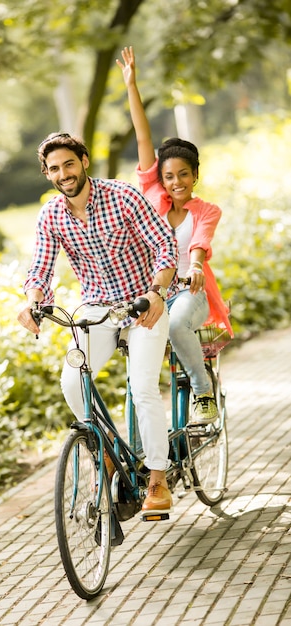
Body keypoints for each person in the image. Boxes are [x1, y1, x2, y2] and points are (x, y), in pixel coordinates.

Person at [17, 132, 178, 515]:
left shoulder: (122, 196)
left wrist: (156, 292)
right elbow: (40, 268)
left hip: (143, 303)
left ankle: (157, 478)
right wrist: (33, 302)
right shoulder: (51, 215)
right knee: (72, 380)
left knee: (142, 387)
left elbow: (164, 246)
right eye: (54, 168)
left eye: (69, 164)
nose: (64, 173)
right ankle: (106, 449)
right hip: (96, 308)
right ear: (47, 174)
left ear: (84, 161)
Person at [117, 46, 233, 423]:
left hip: (190, 291)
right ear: (160, 179)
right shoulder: (152, 196)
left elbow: (199, 243)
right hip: (152, 291)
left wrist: (195, 267)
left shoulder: (206, 211)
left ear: (194, 175)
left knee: (181, 321)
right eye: (169, 176)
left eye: (184, 174)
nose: (176, 181)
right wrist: (131, 85)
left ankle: (202, 389)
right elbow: (142, 136)